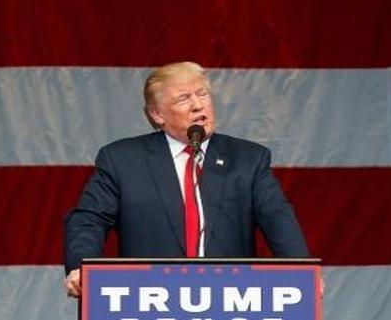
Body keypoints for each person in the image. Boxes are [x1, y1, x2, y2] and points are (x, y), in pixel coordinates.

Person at [63, 61, 309, 297]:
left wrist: (303, 273)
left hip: (230, 298)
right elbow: (89, 220)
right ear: (157, 114)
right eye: (183, 98)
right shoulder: (122, 160)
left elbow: (279, 220)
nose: (198, 105)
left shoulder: (247, 159)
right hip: (148, 298)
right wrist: (81, 267)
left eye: (202, 94)